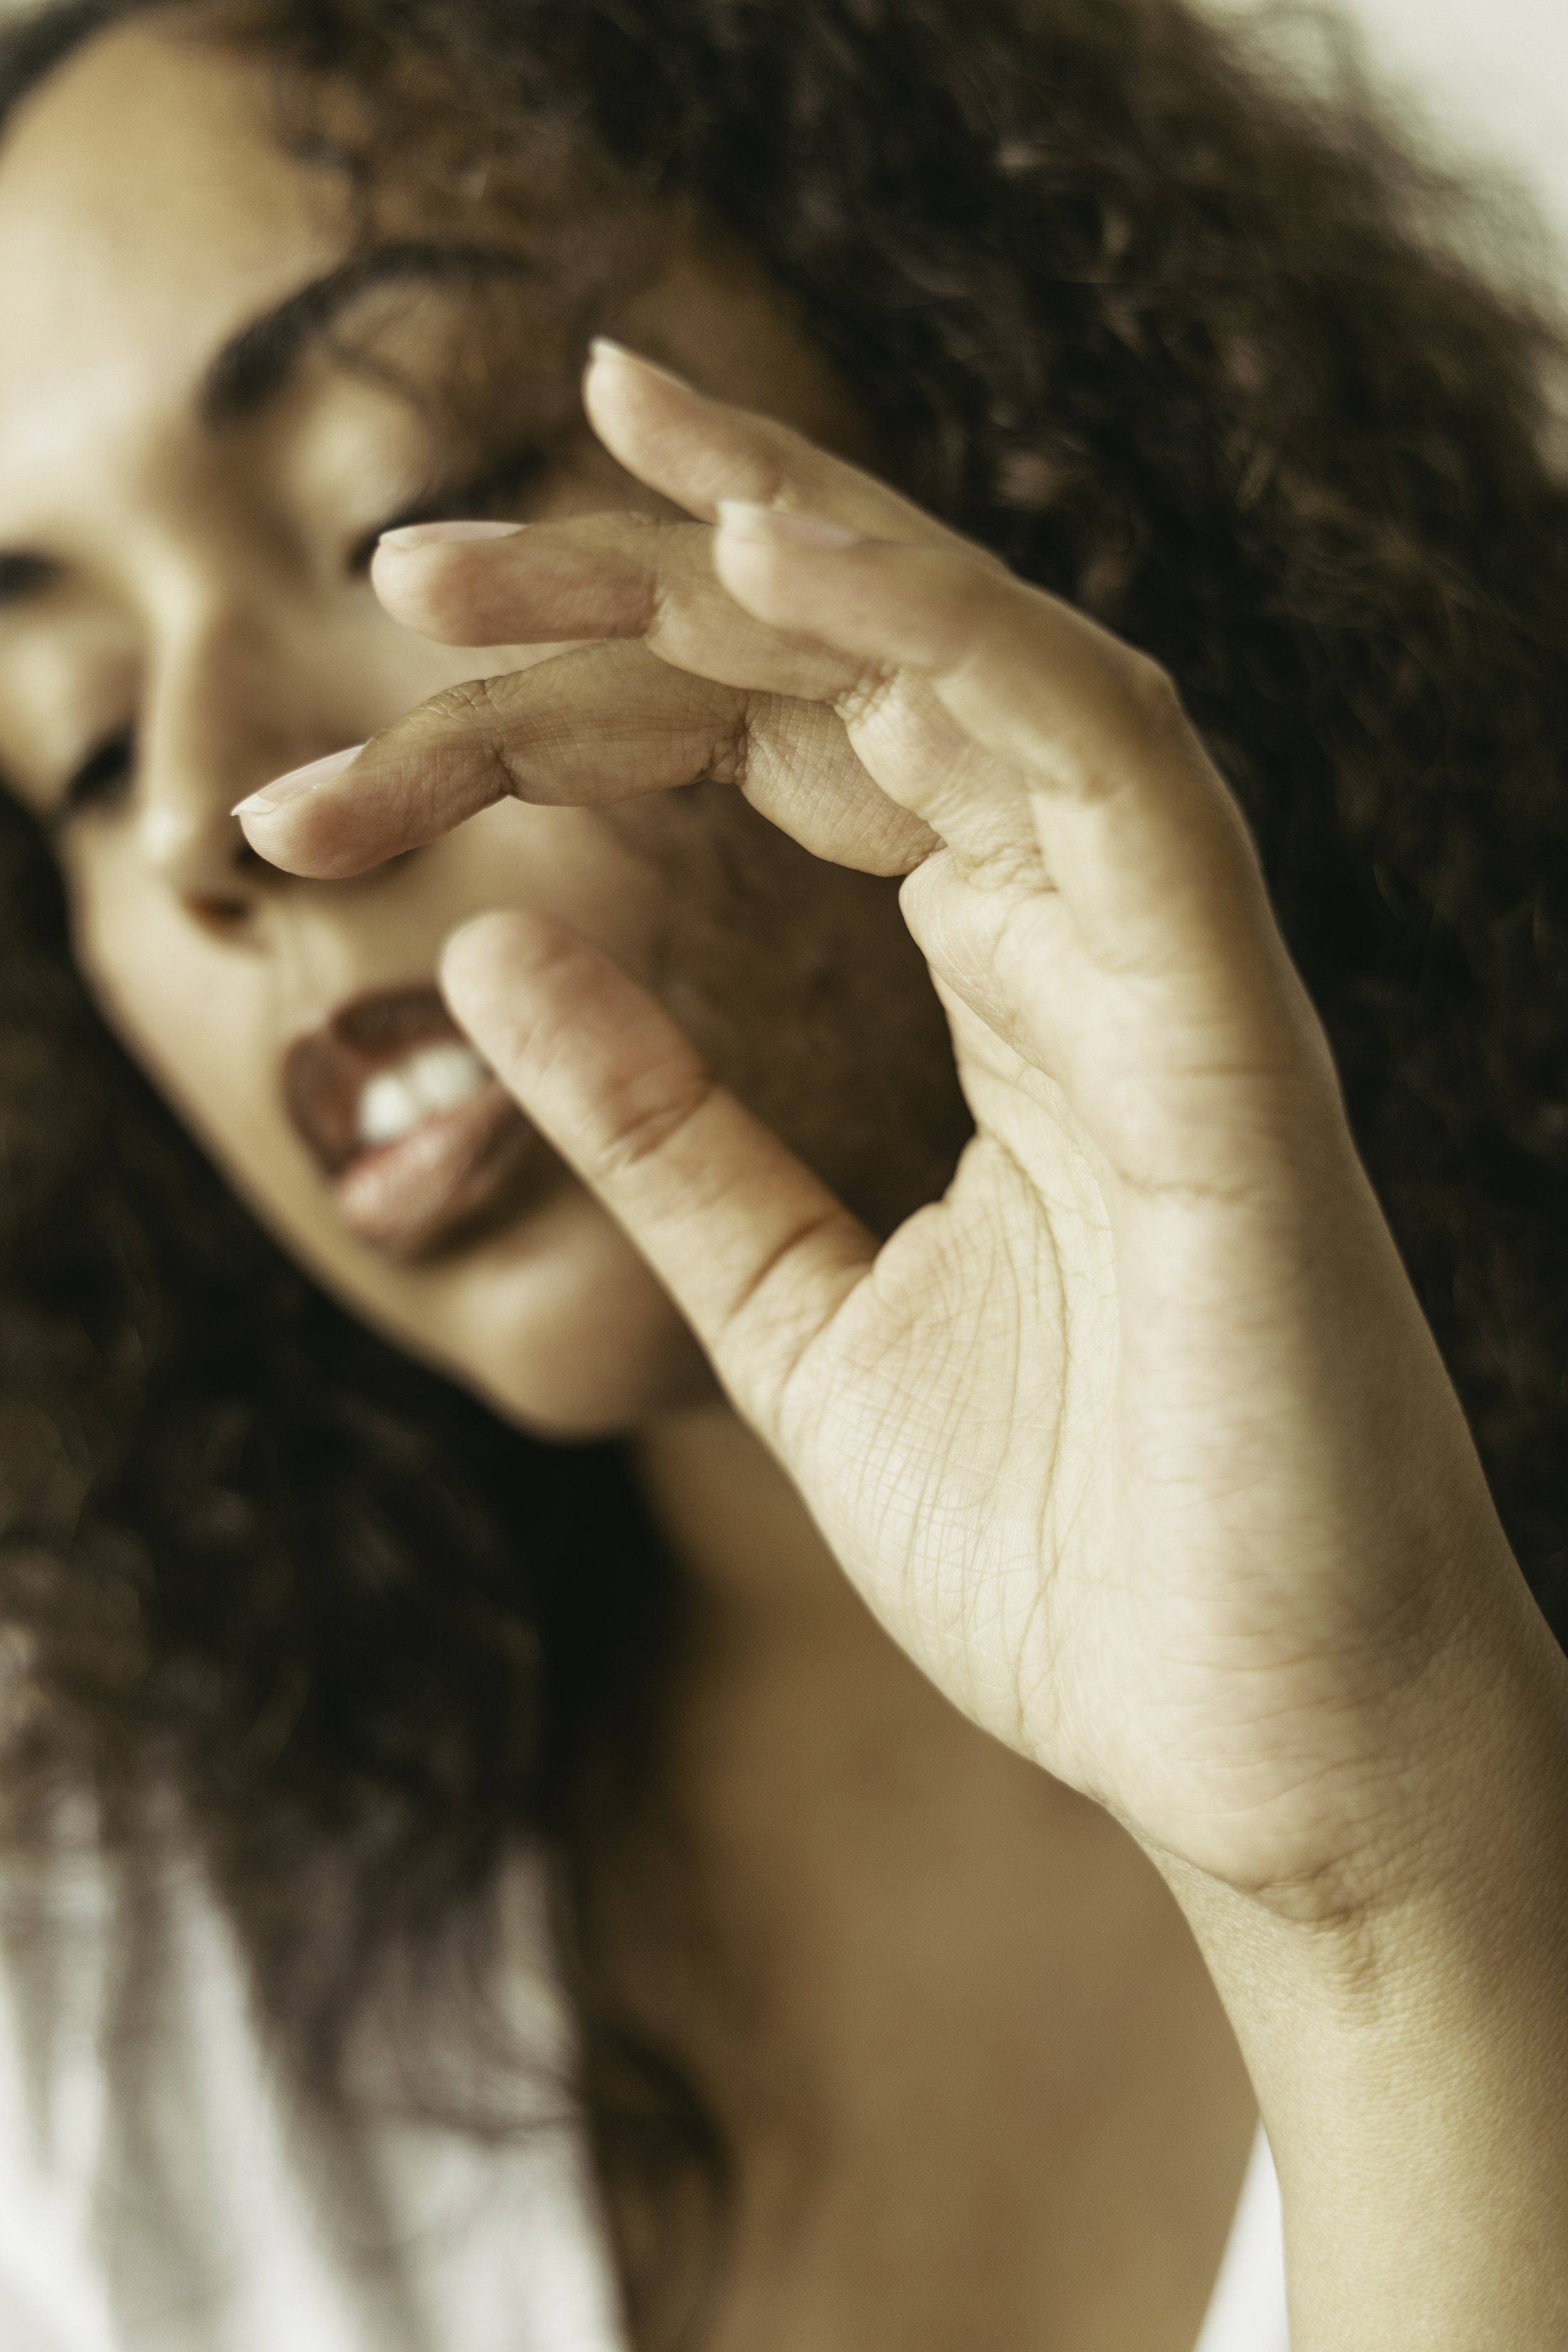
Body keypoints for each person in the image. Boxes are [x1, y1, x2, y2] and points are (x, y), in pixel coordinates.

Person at [0, 0, 1564, 2346]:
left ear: (1001, 414)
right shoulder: (116, 1959)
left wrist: (1391, 1890)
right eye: (73, 743)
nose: (209, 812)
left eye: (400, 496)